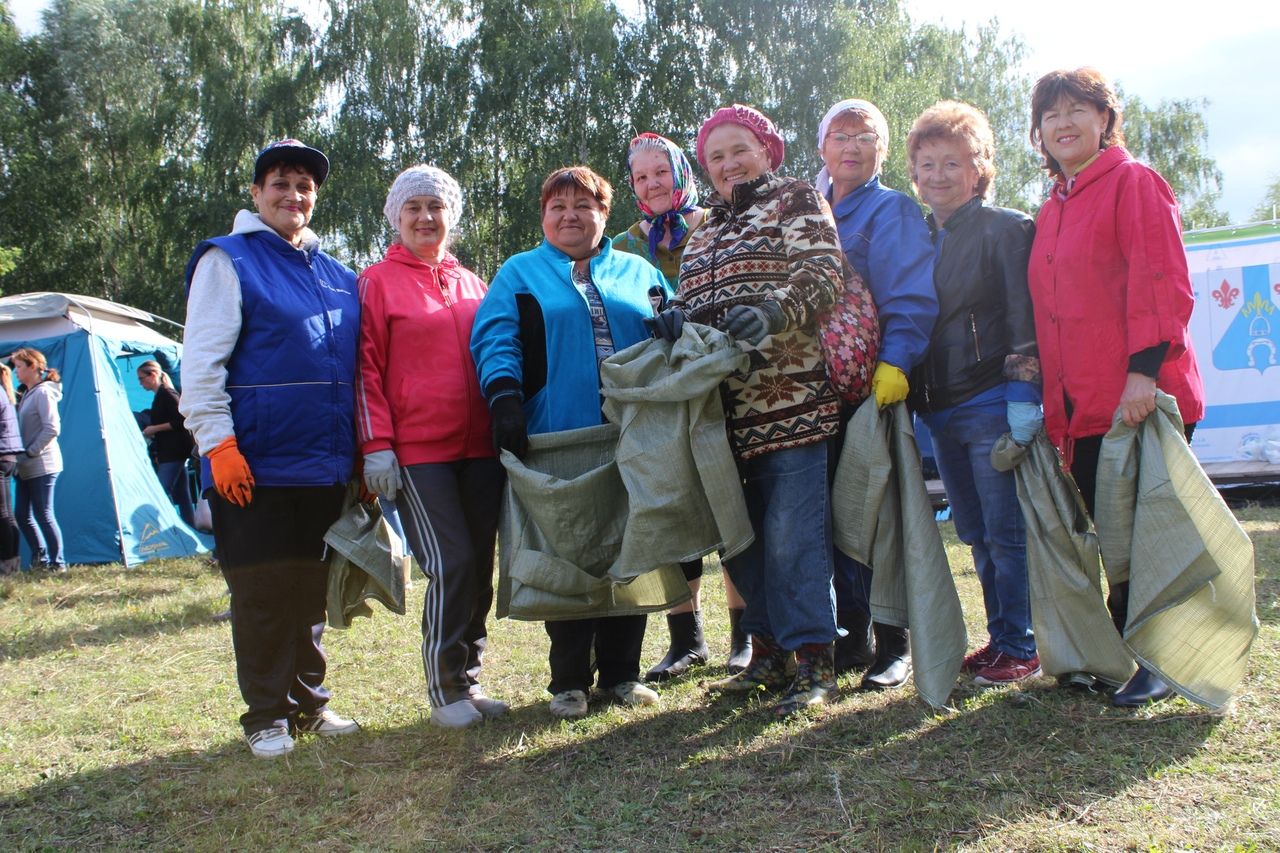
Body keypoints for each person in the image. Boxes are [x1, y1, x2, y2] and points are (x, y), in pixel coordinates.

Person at [658, 104, 844, 716]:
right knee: (742, 541)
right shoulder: (704, 230)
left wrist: (772, 312)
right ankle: (766, 655)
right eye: (716, 157)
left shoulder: (794, 199)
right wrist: (677, 322)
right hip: (723, 414)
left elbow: (824, 275)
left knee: (793, 538)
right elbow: (696, 303)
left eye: (740, 149)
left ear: (767, 150)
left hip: (790, 401)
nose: (729, 163)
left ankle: (815, 662)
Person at [1026, 68, 1205, 706]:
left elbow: (1161, 283)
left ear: (1105, 119)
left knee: (1147, 532)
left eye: (1077, 109)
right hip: (1081, 407)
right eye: (1051, 115)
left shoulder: (1134, 182)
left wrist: (1141, 376)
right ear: (1039, 133)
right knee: (1112, 532)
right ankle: (1135, 652)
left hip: (1135, 395)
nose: (1063, 123)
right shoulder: (1052, 207)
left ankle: (1164, 659)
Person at [180, 138, 361, 757]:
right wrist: (218, 445)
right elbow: (201, 365)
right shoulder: (227, 261)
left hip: (326, 465)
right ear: (257, 194)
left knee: (309, 592)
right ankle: (265, 716)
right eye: (280, 182)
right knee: (260, 591)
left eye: (305, 184)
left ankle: (309, 705)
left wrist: (359, 458)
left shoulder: (338, 274)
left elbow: (356, 372)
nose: (293, 194)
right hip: (251, 466)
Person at [471, 165, 669, 719]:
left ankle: (624, 674)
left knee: (630, 548)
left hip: (635, 432)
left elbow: (671, 327)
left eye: (584, 205)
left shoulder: (638, 270)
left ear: (604, 214)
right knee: (570, 551)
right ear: (543, 217)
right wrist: (505, 395)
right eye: (557, 206)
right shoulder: (519, 272)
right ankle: (568, 681)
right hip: (558, 433)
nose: (570, 215)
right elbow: (495, 336)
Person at [357, 165, 508, 729]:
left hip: (481, 451)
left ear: (452, 217)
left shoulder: (474, 283)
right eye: (413, 208)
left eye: (436, 207)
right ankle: (444, 687)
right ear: (397, 218)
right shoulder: (376, 282)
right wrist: (376, 445)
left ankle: (469, 677)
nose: (425, 218)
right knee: (451, 562)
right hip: (417, 452)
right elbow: (364, 370)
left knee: (480, 569)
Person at [905, 101, 1042, 685]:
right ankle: (1000, 639)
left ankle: (1023, 644)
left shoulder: (1006, 229)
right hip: (938, 410)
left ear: (980, 167)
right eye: (927, 163)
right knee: (975, 533)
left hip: (990, 403)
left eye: (953, 163)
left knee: (1007, 532)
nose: (938, 175)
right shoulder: (916, 236)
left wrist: (1022, 397)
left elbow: (1022, 320)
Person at [611, 131, 750, 680]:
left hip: (720, 383)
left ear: (680, 173)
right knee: (670, 497)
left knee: (727, 499)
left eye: (660, 172)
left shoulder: (715, 224)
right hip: (663, 392)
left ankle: (743, 634)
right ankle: (686, 638)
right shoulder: (624, 243)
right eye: (641, 177)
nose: (652, 184)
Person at [815, 98, 938, 688]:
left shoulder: (891, 211)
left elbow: (910, 295)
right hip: (818, 392)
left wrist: (895, 365)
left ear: (882, 151)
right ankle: (854, 636)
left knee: (880, 514)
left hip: (874, 390)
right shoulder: (813, 211)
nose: (851, 146)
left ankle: (897, 643)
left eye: (865, 136)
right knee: (839, 517)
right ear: (822, 148)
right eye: (840, 135)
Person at [12, 347, 65, 573]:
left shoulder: (43, 393)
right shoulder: (28, 394)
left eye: (19, 367)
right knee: (22, 514)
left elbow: (52, 428)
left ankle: (58, 562)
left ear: (33, 367)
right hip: (25, 465)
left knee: (43, 513)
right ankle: (40, 559)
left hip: (42, 463)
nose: (16, 372)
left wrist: (32, 451)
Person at [137, 360, 196, 527]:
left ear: (153, 375)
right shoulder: (160, 395)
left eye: (142, 378)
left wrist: (154, 429)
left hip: (174, 451)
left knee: (162, 490)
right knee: (182, 494)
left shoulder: (168, 394)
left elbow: (182, 420)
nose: (140, 383)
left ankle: (169, 529)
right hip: (172, 451)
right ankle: (190, 527)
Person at [0, 364, 24, 575]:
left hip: (1, 456)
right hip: (8, 456)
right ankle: (12, 564)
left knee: (3, 515)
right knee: (7, 513)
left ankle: (7, 566)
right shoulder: (3, 390)